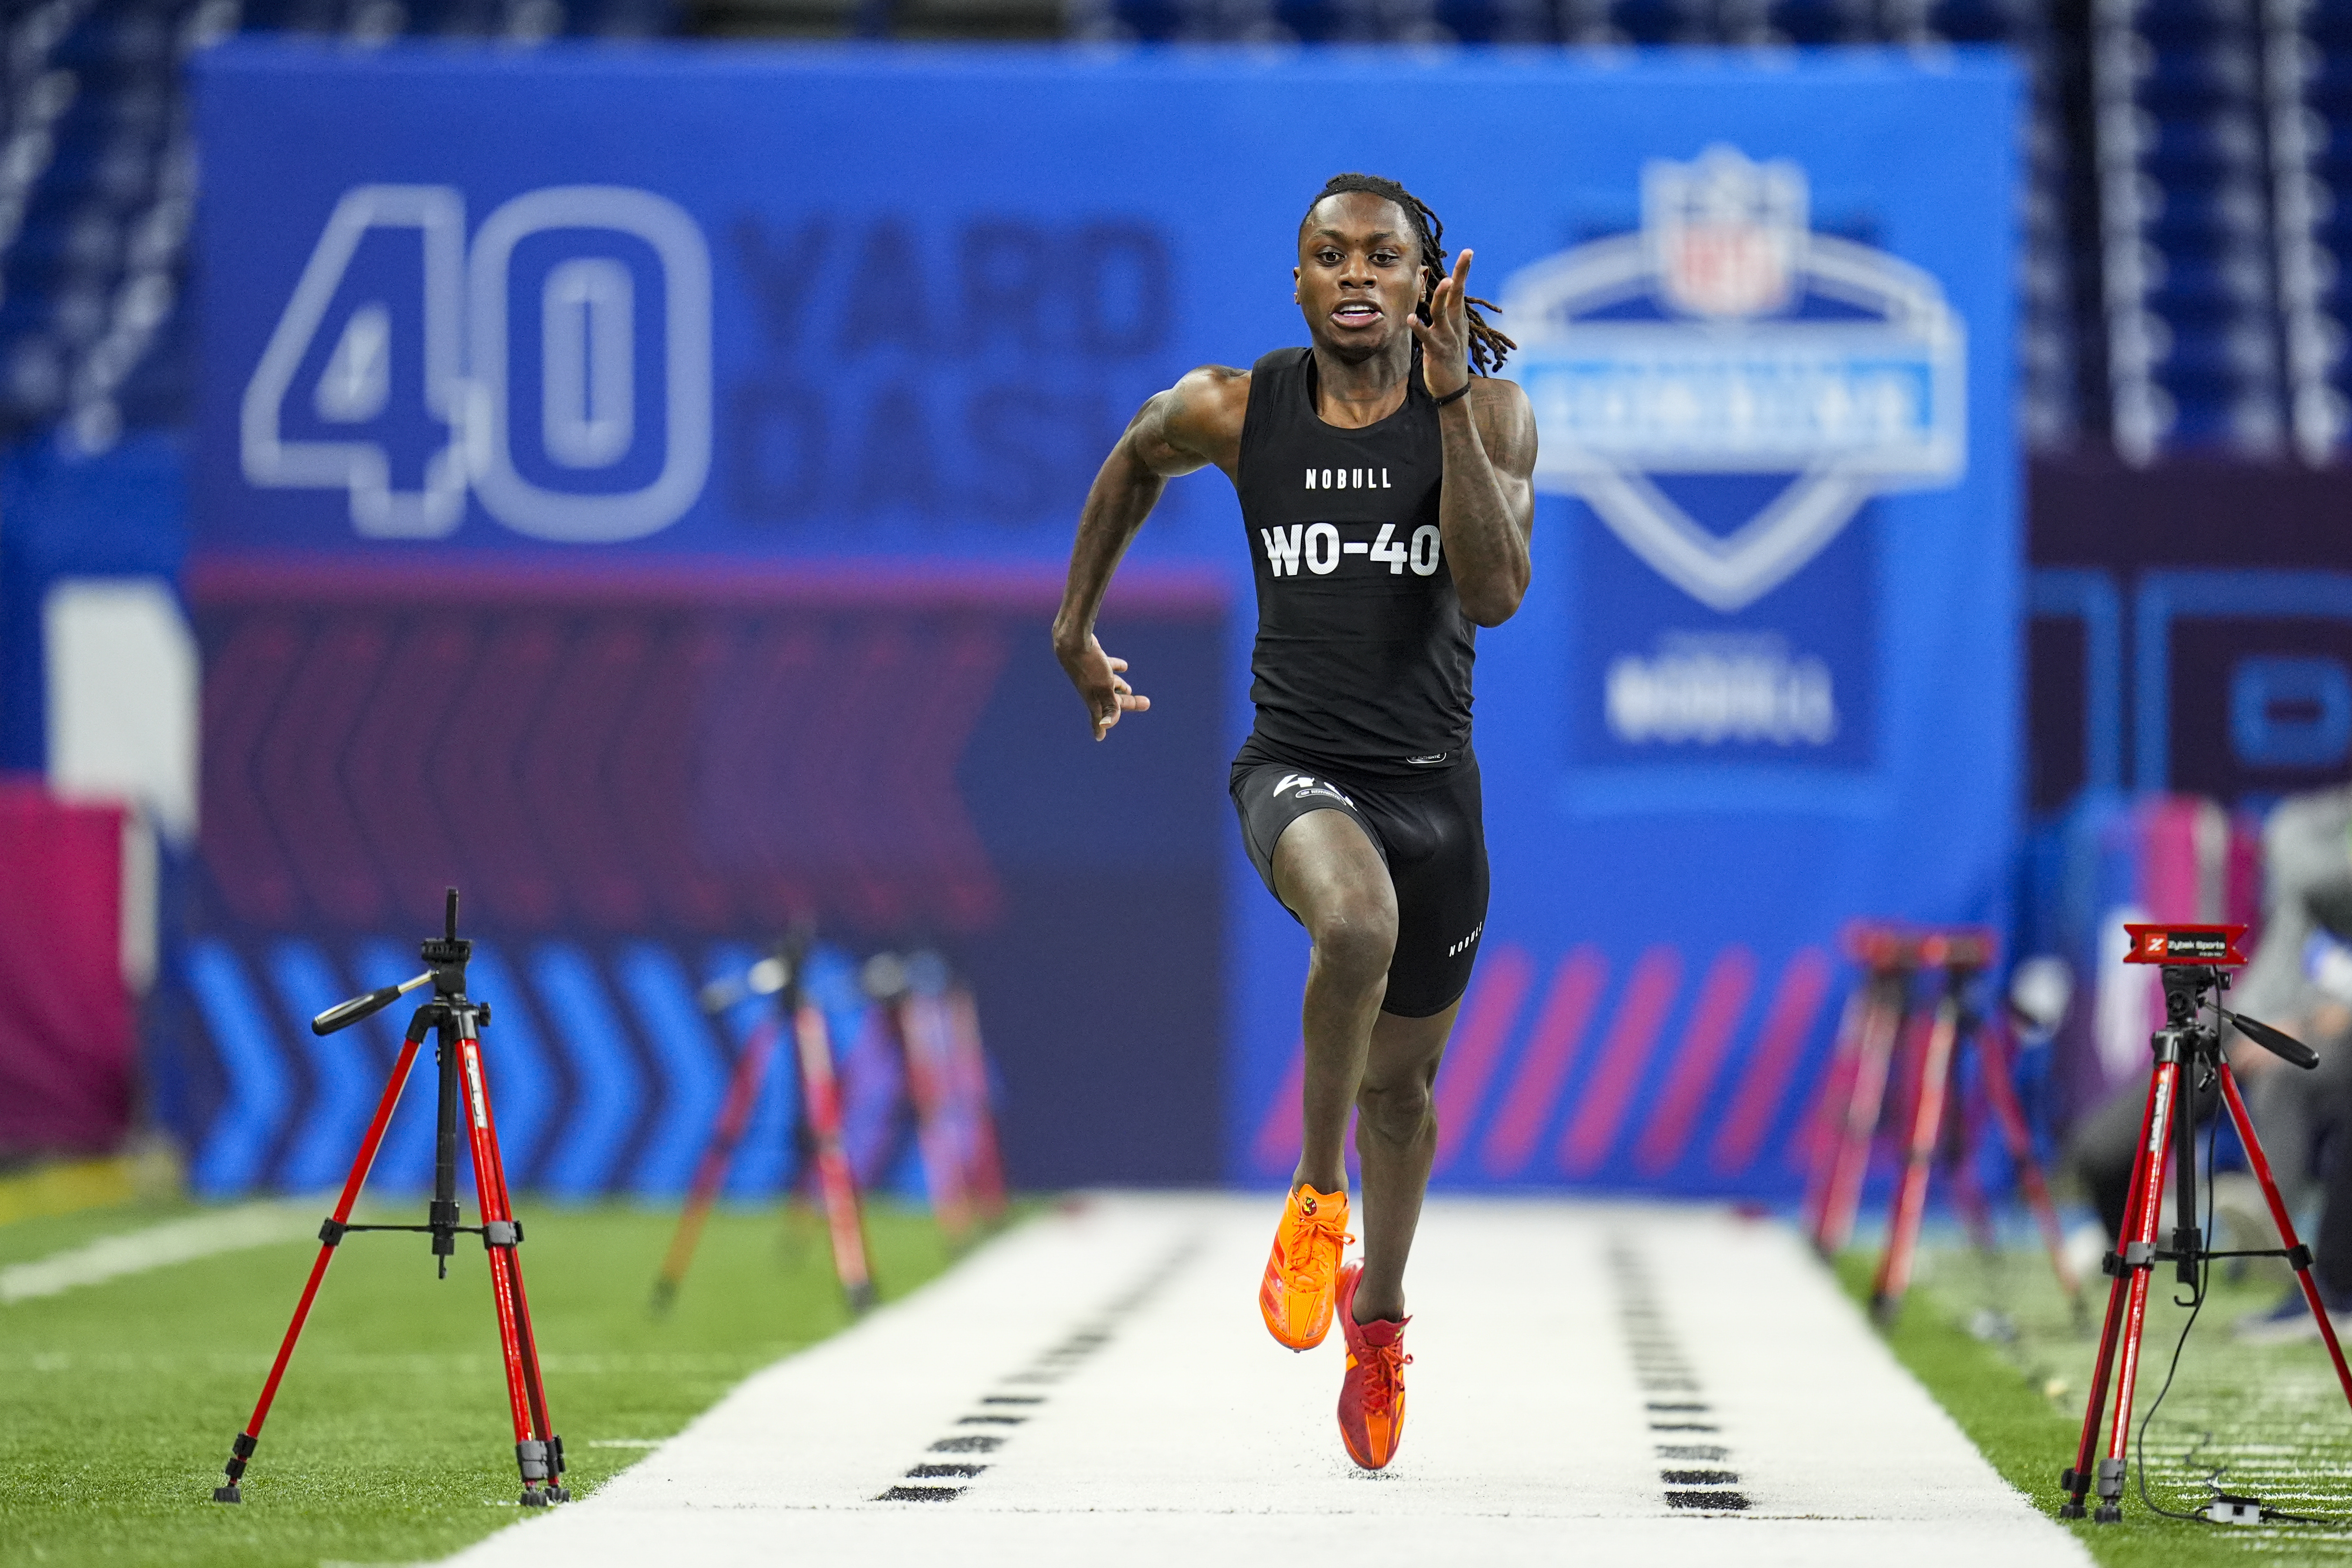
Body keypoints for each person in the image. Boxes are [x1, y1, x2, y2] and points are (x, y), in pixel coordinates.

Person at [1051, 172, 1536, 1469]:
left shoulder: (1487, 411)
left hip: (1439, 794)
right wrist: (1075, 626)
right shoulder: (1236, 404)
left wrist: (1444, 407)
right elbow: (1133, 459)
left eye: (1384, 256)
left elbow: (1494, 594)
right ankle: (1315, 1200)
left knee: (1406, 1089)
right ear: (1301, 279)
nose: (1356, 276)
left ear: (1428, 281)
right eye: (1331, 256)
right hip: (1298, 769)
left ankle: (1377, 1321)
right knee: (1355, 922)